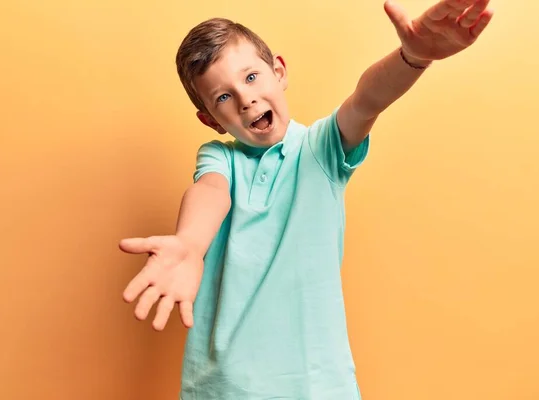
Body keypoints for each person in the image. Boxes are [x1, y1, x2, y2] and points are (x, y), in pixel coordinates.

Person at [119, 0, 494, 398]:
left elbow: (366, 100)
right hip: (225, 387)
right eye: (223, 98)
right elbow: (210, 191)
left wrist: (412, 57)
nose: (245, 98)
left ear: (279, 72)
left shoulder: (321, 149)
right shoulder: (219, 157)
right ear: (211, 120)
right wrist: (190, 243)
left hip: (317, 385)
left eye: (250, 77)